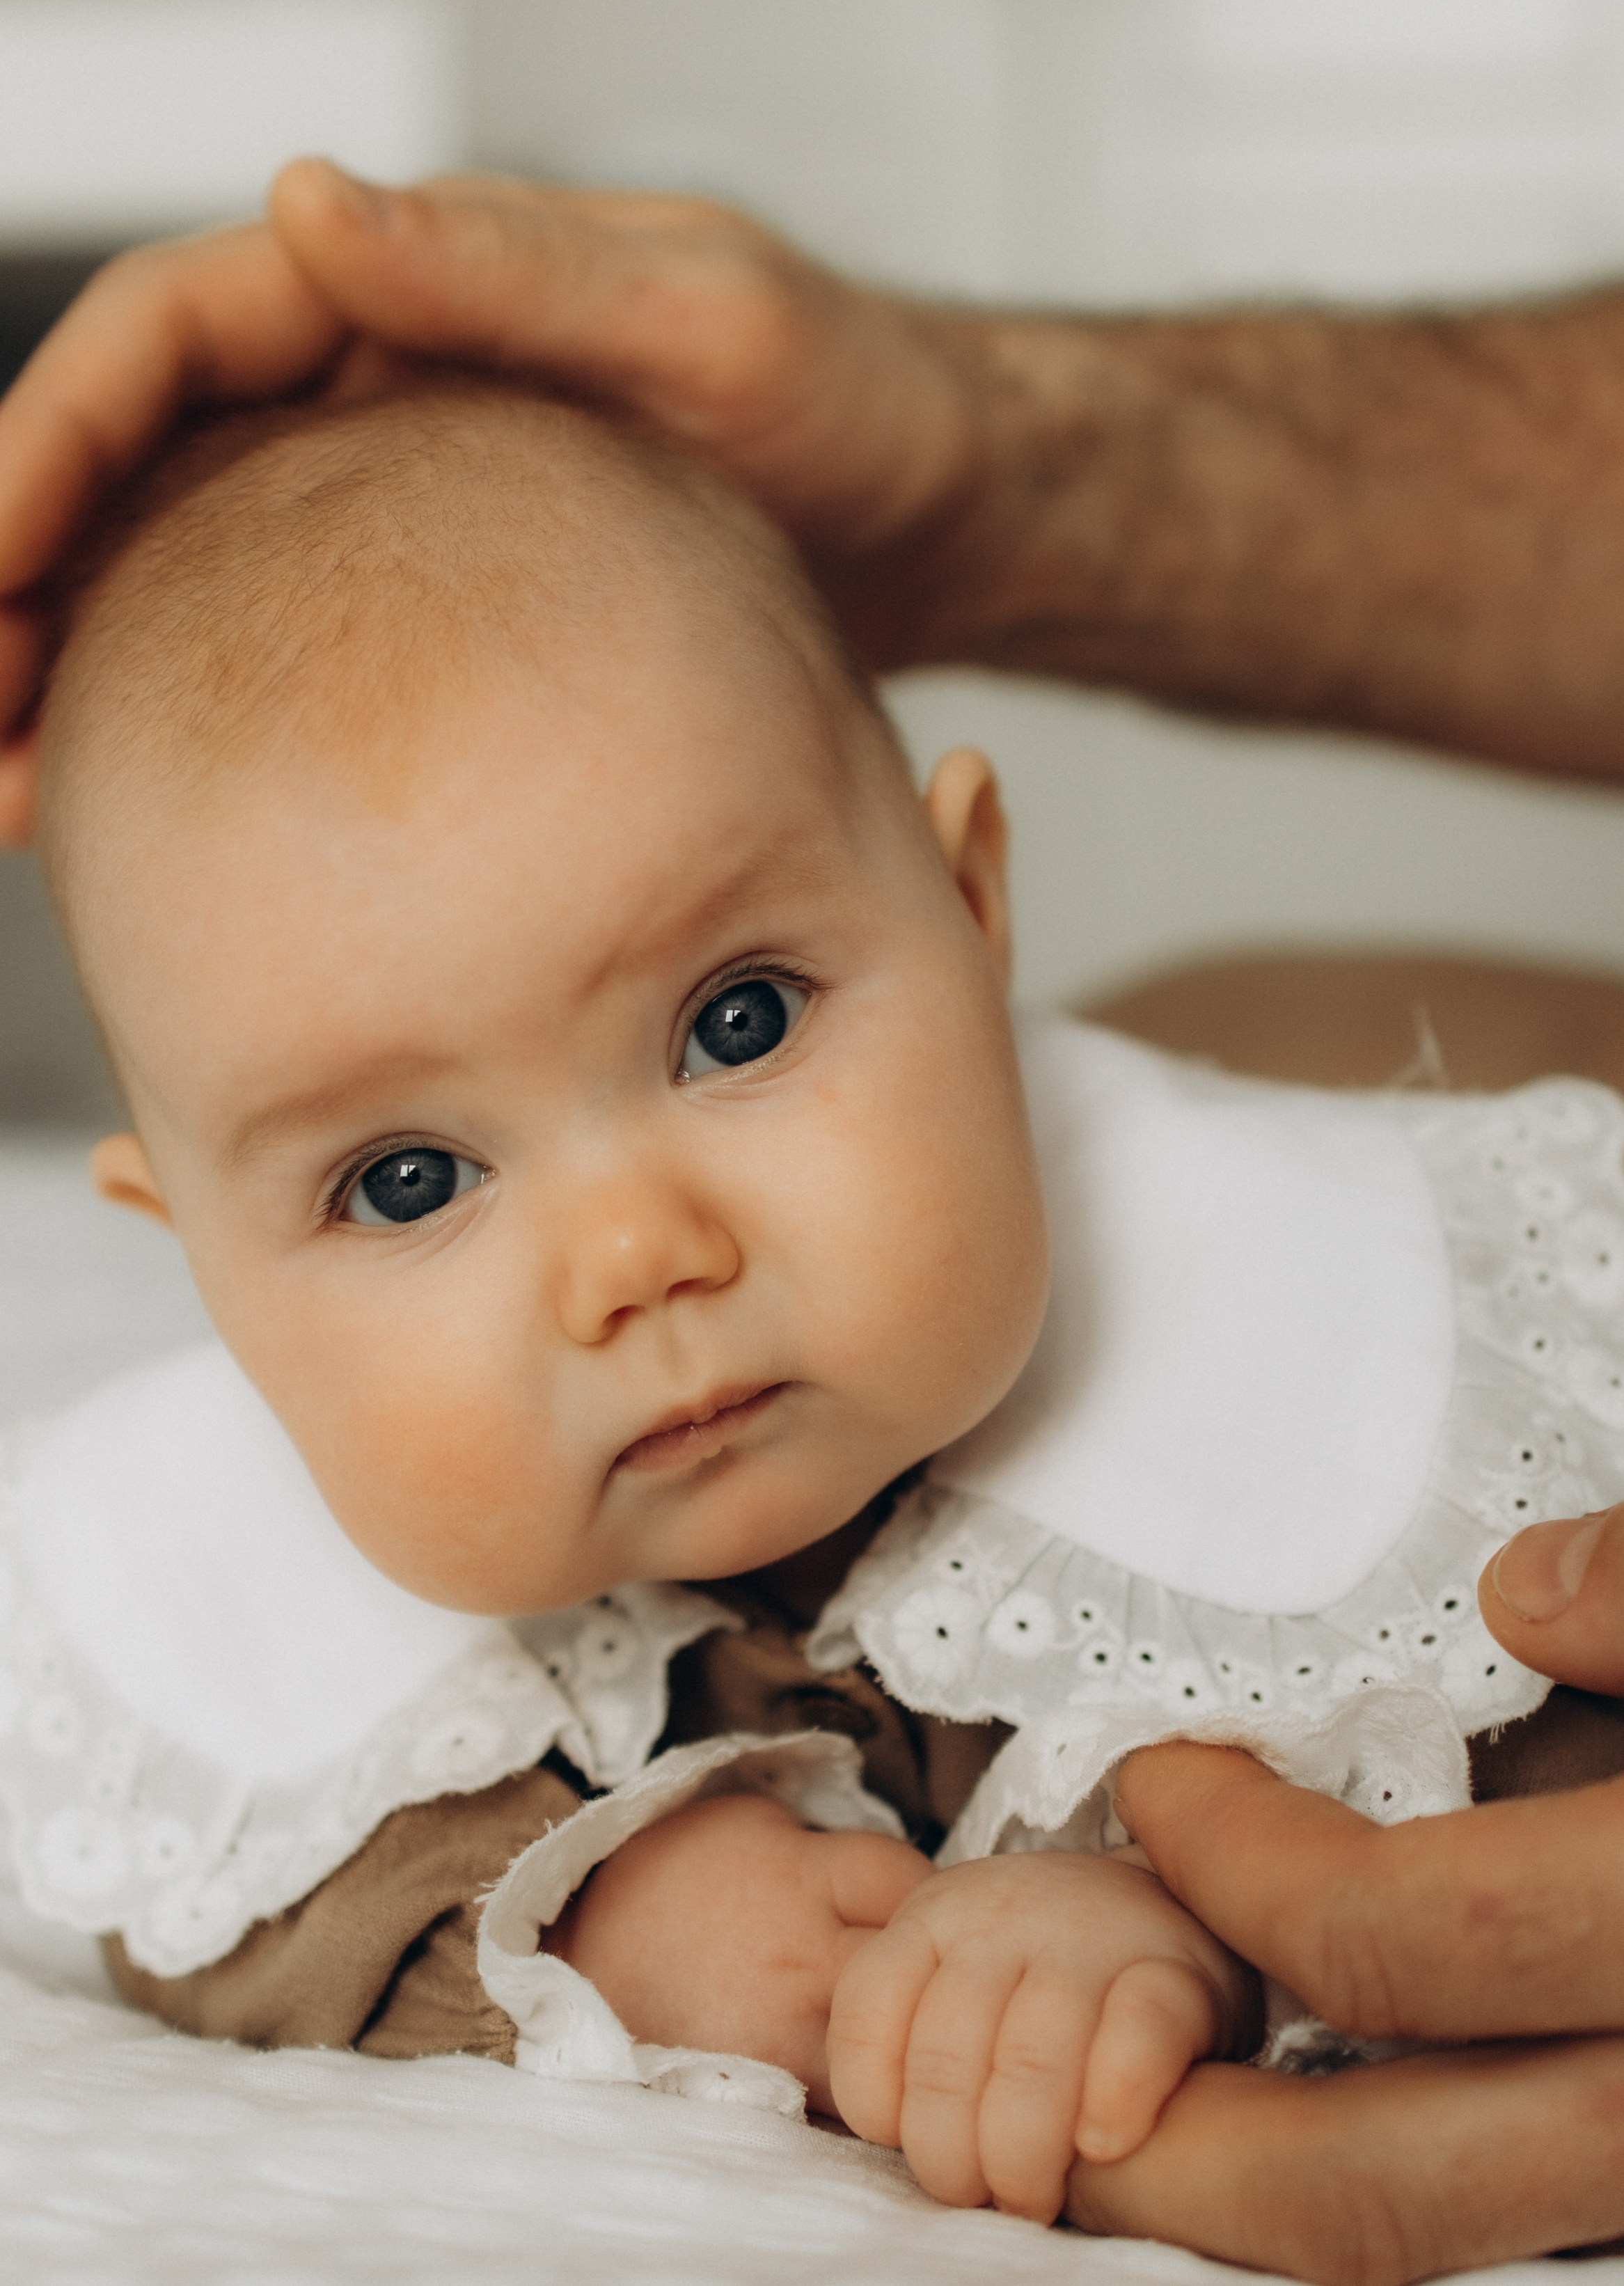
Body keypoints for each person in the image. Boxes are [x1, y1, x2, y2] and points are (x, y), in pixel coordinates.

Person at [8, 363, 1624, 2282]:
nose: (637, 1258)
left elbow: (1509, 1746)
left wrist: (1185, 1920)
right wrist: (594, 1915)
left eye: (738, 1022)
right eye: (412, 1181)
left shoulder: (1397, 1405)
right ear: (199, 1257)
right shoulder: (248, 1553)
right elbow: (213, 1885)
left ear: (970, 904)